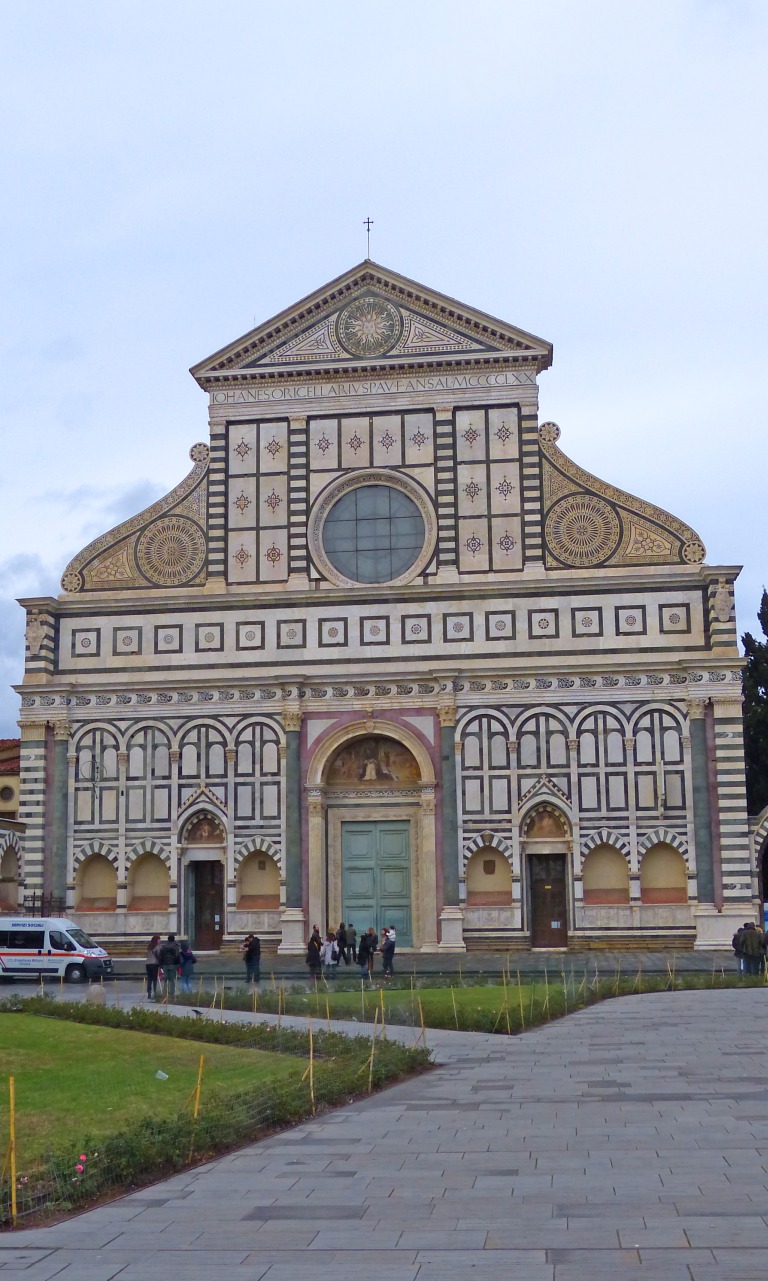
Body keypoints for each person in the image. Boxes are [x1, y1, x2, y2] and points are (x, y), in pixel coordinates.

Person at [156, 933, 181, 999]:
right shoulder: (176, 946)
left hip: (165, 964)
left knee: (165, 979)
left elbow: (160, 956)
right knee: (172, 979)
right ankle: (171, 993)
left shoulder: (163, 947)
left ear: (168, 939)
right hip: (173, 964)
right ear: (174, 939)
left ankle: (165, 992)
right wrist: (178, 964)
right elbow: (177, 956)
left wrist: (160, 964)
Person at [145, 934, 161, 999]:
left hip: (148, 963)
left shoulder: (149, 946)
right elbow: (159, 955)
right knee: (154, 979)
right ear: (157, 940)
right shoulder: (158, 947)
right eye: (159, 939)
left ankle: (149, 993)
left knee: (149, 979)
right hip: (154, 964)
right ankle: (155, 992)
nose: (160, 940)